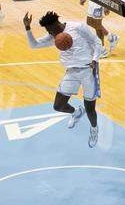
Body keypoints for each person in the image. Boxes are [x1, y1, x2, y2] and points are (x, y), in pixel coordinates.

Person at [23, 10, 102, 147]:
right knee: (58, 106)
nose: (49, 33)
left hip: (88, 70)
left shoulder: (78, 27)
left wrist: (95, 59)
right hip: (71, 72)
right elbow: (34, 45)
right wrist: (27, 28)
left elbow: (97, 42)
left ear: (56, 24)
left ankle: (94, 129)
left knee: (90, 108)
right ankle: (76, 112)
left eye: (50, 30)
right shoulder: (53, 37)